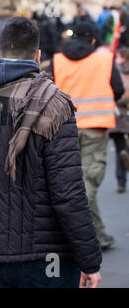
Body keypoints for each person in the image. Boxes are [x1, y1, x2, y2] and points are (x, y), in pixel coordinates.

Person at [0, 17, 103, 288]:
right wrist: (90, 261)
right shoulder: (54, 104)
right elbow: (68, 193)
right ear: (38, 56)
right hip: (47, 258)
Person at [49, 22, 125, 249]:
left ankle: (98, 233)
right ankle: (78, 234)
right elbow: (118, 89)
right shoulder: (105, 59)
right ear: (93, 40)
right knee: (87, 183)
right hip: (95, 127)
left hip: (64, 129)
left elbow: (46, 88)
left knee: (72, 180)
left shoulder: (57, 60)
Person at [109, 47, 129, 192]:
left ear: (123, 57)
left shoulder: (115, 71)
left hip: (118, 114)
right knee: (124, 149)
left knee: (119, 149)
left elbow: (115, 91)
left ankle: (121, 182)